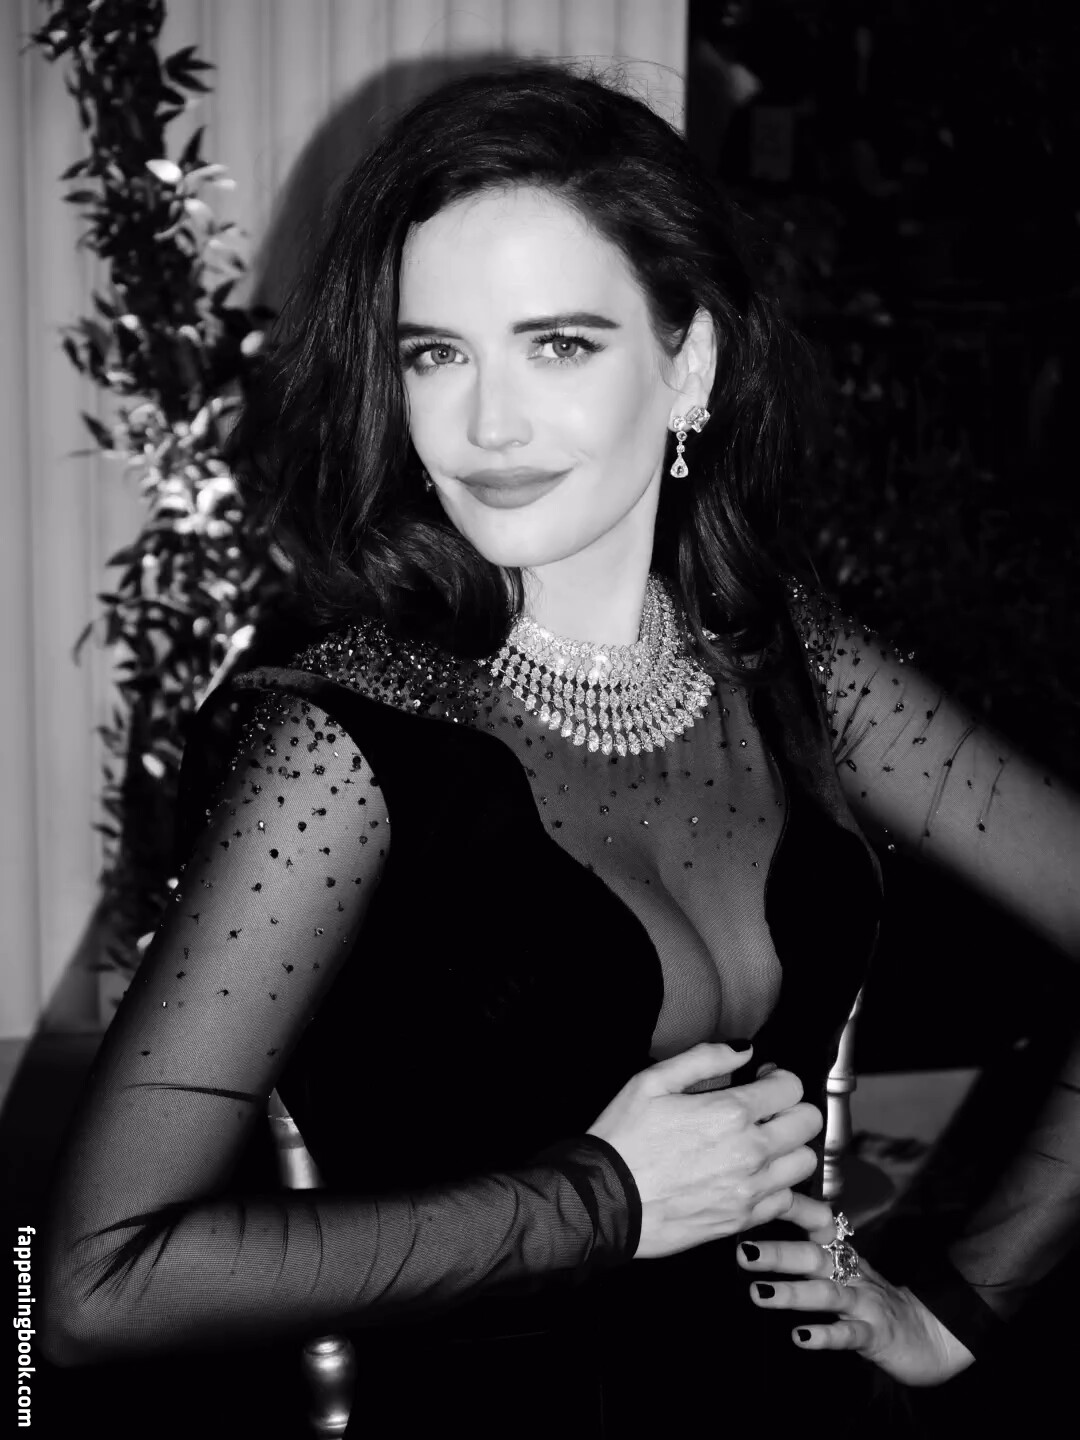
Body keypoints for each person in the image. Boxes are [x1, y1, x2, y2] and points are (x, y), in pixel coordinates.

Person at [39, 61, 1079, 1437]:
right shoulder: (338, 750)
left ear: (688, 365)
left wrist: (955, 1310)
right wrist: (605, 1202)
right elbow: (92, 1286)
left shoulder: (797, 668)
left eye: (560, 345)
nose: (488, 425)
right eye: (436, 353)